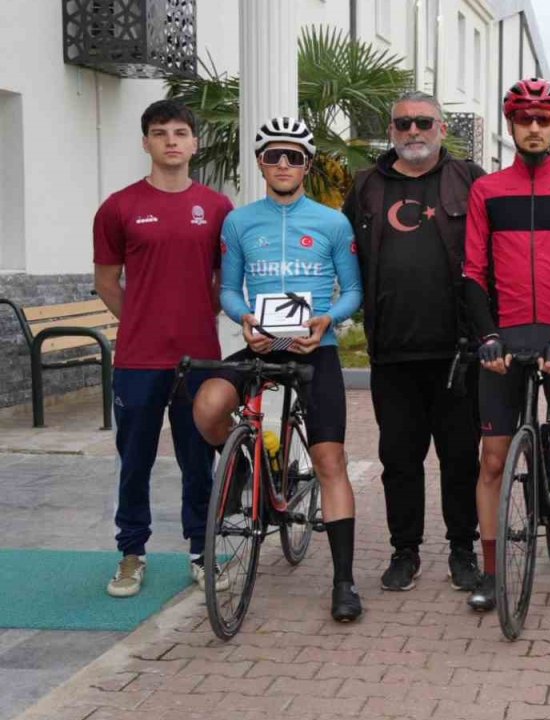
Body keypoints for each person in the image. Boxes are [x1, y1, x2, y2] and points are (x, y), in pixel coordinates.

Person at [193, 117, 365, 622]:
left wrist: (327, 318)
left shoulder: (333, 222)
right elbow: (227, 287)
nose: (283, 164)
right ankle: (247, 467)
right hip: (261, 343)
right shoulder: (240, 222)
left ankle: (344, 582)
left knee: (331, 460)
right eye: (274, 156)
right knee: (207, 408)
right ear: (261, 162)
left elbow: (353, 289)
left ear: (307, 164)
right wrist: (242, 316)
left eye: (293, 156)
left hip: (316, 346)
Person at [461, 78, 550, 614]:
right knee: (493, 460)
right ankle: (493, 572)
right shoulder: (488, 191)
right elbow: (473, 273)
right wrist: (487, 336)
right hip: (504, 337)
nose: (535, 128)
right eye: (526, 119)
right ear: (512, 126)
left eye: (544, 120)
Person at [343, 91, 486, 594]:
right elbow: (344, 257)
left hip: (458, 353)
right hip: (392, 352)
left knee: (461, 459)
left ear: (442, 129)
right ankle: (405, 551)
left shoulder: (471, 180)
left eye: (424, 122)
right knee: (398, 461)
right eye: (403, 123)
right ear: (391, 129)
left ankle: (462, 549)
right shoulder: (366, 187)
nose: (413, 131)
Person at [93, 99, 235, 598]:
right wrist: (142, 322)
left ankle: (201, 550)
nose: (171, 141)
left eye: (180, 132)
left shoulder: (218, 209)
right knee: (135, 460)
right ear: (146, 142)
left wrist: (201, 313)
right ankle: (132, 554)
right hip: (139, 360)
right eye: (160, 133)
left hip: (199, 358)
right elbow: (107, 281)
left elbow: (225, 279)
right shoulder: (118, 207)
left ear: (194, 143)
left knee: (198, 460)